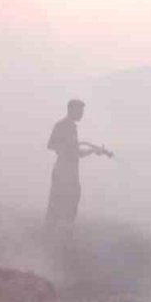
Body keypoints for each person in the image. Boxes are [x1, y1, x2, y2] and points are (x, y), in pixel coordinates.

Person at [45, 99, 105, 233]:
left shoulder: (72, 128)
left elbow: (76, 153)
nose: (82, 114)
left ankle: (64, 231)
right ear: (71, 110)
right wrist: (63, 148)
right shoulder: (61, 125)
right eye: (80, 111)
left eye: (82, 111)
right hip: (62, 171)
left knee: (73, 199)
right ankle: (50, 231)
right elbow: (50, 145)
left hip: (71, 172)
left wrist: (93, 151)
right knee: (57, 200)